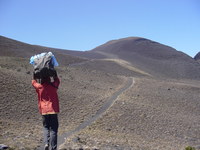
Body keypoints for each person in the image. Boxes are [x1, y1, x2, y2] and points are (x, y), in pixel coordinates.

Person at [32, 71, 60, 150]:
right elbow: (57, 81)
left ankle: (46, 143)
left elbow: (33, 82)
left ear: (42, 80)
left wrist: (34, 75)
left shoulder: (39, 87)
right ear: (49, 79)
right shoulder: (53, 86)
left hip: (44, 110)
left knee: (46, 127)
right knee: (54, 129)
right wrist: (54, 74)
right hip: (53, 110)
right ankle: (53, 148)